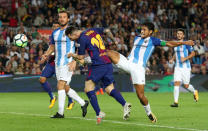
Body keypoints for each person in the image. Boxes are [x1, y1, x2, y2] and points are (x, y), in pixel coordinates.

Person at [105, 22, 194, 123]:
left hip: (138, 68)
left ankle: (149, 112)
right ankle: (86, 61)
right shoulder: (137, 38)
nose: (142, 31)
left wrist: (184, 43)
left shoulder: (153, 40)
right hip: (128, 62)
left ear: (150, 32)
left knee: (140, 96)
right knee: (109, 53)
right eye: (141, 29)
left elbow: (169, 43)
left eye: (145, 29)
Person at [65, 26, 131, 124]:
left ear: (73, 34)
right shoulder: (92, 30)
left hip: (98, 65)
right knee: (109, 89)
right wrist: (114, 40)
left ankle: (98, 113)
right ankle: (125, 104)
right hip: (107, 63)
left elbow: (81, 56)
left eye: (70, 38)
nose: (71, 40)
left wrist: (72, 55)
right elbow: (107, 30)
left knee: (88, 89)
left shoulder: (81, 38)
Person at [41, 11, 89, 118]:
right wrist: (46, 54)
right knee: (66, 88)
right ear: (58, 19)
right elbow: (52, 46)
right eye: (60, 17)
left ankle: (60, 113)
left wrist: (74, 61)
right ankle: (83, 103)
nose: (62, 19)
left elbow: (80, 47)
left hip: (68, 63)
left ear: (68, 19)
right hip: (57, 63)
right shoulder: (55, 32)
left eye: (64, 17)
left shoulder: (72, 32)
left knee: (60, 85)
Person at [39, 22, 75, 110]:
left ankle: (71, 101)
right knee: (42, 79)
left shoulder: (65, 36)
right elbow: (51, 48)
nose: (55, 28)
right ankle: (52, 97)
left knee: (63, 85)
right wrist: (46, 55)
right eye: (53, 26)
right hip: (52, 62)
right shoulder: (52, 36)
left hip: (62, 63)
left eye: (57, 26)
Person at [170, 28, 198, 107]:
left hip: (186, 67)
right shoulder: (175, 43)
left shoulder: (187, 43)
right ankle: (175, 102)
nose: (179, 35)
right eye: (178, 34)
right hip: (177, 67)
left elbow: (193, 53)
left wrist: (185, 58)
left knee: (186, 85)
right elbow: (175, 53)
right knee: (176, 83)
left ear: (183, 35)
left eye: (180, 34)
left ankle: (194, 91)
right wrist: (172, 59)